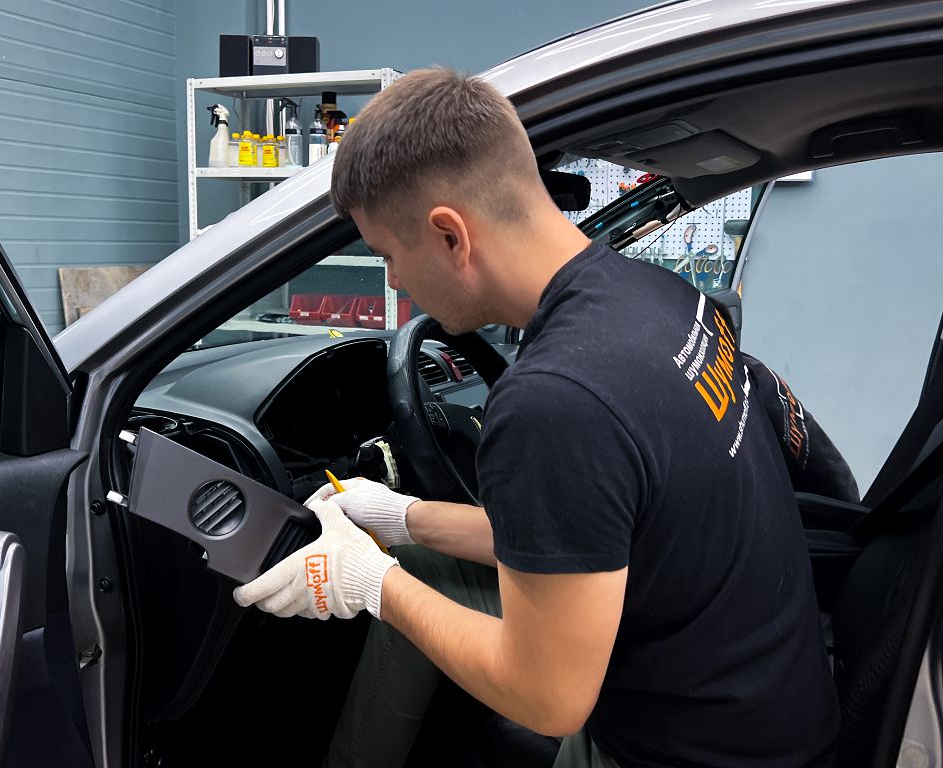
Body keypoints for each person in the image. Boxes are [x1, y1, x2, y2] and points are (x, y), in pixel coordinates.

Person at [233, 68, 841, 767]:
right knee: (425, 561)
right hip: (776, 707)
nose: (394, 280)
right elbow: (585, 530)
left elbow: (547, 698)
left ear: (450, 235)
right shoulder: (659, 296)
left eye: (389, 255)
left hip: (686, 754)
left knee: (416, 589)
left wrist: (369, 582)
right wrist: (400, 517)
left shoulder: (554, 400)